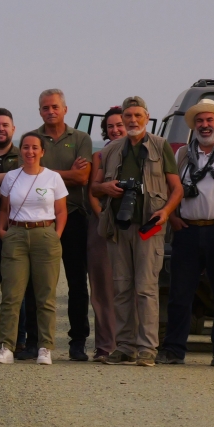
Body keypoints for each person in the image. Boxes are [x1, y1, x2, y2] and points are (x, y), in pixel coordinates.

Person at [92, 96, 182, 367]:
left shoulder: (160, 146)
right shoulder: (110, 151)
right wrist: (106, 188)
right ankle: (124, 346)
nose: (132, 121)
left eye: (137, 116)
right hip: (118, 228)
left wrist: (165, 213)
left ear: (147, 117)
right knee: (121, 288)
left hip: (148, 227)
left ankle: (147, 348)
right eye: (128, 116)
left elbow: (176, 188)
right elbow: (94, 188)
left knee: (145, 289)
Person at [159, 99, 214, 367]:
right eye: (200, 121)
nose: (205, 126)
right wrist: (171, 215)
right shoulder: (181, 154)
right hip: (187, 231)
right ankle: (173, 350)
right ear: (194, 126)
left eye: (210, 121)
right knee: (180, 294)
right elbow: (165, 187)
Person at [0, 131, 68, 366]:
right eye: (25, 147)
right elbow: (4, 208)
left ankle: (45, 347)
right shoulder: (11, 178)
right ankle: (7, 346)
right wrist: (2, 231)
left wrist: (55, 235)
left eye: (35, 147)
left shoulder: (53, 178)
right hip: (15, 234)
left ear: (42, 152)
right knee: (11, 295)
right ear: (20, 151)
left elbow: (62, 211)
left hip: (45, 233)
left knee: (45, 296)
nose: (30, 152)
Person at [33, 89, 94, 361]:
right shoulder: (33, 139)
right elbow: (31, 175)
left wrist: (45, 173)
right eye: (45, 108)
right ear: (40, 111)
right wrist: (66, 174)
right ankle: (36, 340)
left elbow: (82, 178)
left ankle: (78, 341)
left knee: (77, 282)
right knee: (38, 283)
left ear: (65, 109)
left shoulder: (80, 138)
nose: (50, 111)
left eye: (55, 107)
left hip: (74, 216)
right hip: (40, 220)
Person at [0, 108, 36, 359]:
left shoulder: (25, 155)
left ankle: (19, 341)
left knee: (17, 293)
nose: (1, 129)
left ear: (13, 129)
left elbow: (30, 185)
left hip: (15, 235)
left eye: (5, 125)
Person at [86, 107, 123, 362]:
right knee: (102, 287)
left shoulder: (145, 152)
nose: (116, 129)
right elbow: (93, 192)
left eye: (119, 124)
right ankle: (104, 345)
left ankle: (131, 343)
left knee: (132, 286)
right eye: (111, 126)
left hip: (133, 228)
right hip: (102, 228)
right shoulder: (99, 156)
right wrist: (105, 219)